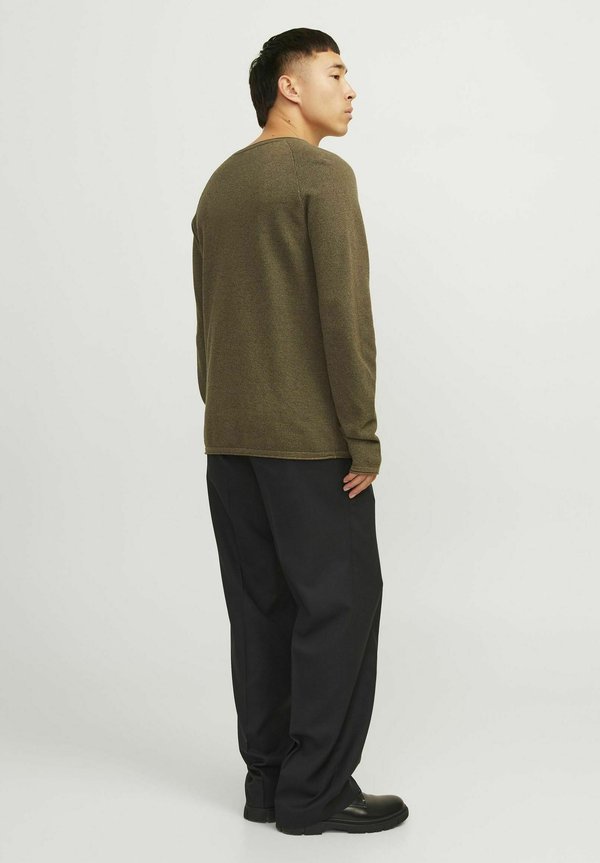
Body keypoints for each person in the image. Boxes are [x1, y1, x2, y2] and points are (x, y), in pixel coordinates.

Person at [190, 27, 409, 836]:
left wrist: (223, 411)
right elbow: (343, 316)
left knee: (262, 611)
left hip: (230, 442)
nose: (350, 89)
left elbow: (208, 316)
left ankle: (269, 782)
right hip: (311, 445)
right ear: (289, 86)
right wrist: (363, 435)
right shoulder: (322, 175)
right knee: (339, 605)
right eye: (334, 72)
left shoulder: (220, 185)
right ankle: (315, 792)